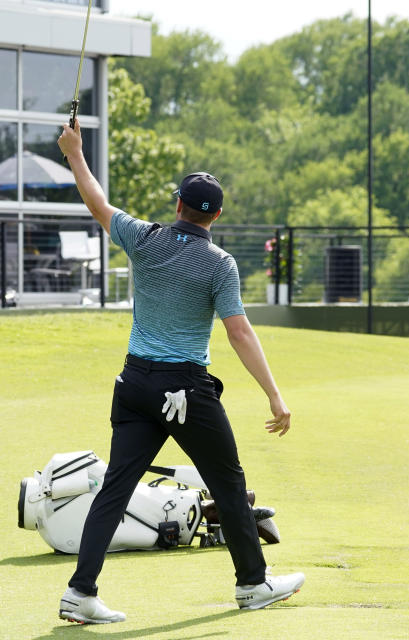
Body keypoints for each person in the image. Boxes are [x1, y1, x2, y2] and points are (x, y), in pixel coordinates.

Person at [54, 118, 303, 625]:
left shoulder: (144, 238)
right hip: (185, 390)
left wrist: (75, 153)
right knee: (229, 484)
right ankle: (253, 585)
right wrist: (274, 395)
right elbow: (238, 333)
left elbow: (98, 203)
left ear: (178, 206)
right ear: (216, 216)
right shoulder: (220, 264)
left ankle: (80, 593)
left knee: (116, 487)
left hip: (134, 385)